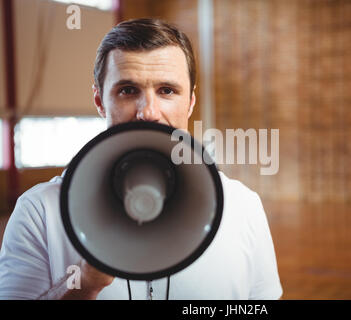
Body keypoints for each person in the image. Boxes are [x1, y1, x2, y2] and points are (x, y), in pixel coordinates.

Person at [0, 18, 282, 300]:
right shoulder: (38, 213)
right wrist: (85, 283)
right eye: (128, 90)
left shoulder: (243, 206)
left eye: (167, 91)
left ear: (191, 102)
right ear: (99, 101)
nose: (148, 112)